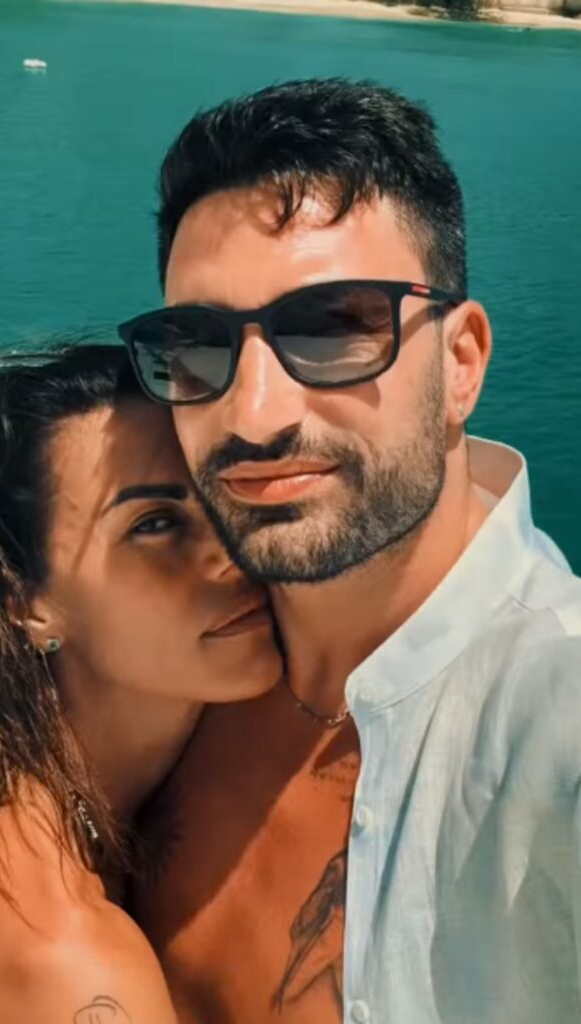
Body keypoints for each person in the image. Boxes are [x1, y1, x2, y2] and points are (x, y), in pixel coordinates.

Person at [119, 79, 581, 1023]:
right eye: (196, 345)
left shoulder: (552, 713)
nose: (253, 415)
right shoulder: (161, 657)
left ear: (461, 363)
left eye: (333, 328)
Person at [0, 343, 282, 1024]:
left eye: (226, 495)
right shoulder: (72, 965)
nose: (231, 548)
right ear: (25, 600)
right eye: (153, 524)